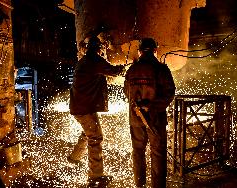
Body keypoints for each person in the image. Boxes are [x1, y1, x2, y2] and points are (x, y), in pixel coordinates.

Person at [69, 36, 125, 187]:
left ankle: (74, 158)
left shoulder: (84, 60)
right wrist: (124, 67)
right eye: (101, 49)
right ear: (98, 49)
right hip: (85, 108)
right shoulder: (94, 60)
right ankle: (96, 176)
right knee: (96, 137)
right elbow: (114, 71)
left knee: (88, 133)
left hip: (78, 106)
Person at [123, 38, 176, 188]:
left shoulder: (131, 70)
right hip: (155, 119)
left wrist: (139, 105)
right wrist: (152, 106)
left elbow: (126, 92)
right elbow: (169, 93)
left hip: (135, 118)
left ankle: (139, 184)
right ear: (155, 51)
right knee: (158, 153)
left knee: (138, 151)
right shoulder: (161, 69)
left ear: (139, 52)